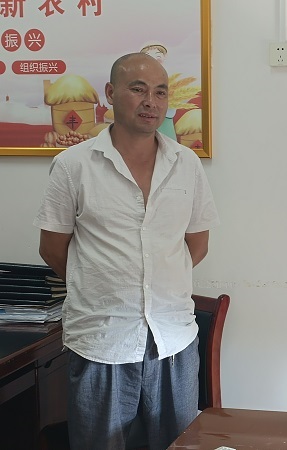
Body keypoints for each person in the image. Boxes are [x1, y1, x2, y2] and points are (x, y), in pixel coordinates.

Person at [33, 53, 219, 450]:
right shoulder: (73, 165)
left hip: (173, 340)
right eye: (138, 89)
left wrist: (156, 280)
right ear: (110, 93)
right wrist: (102, 282)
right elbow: (52, 248)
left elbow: (197, 244)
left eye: (160, 92)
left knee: (178, 444)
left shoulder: (186, 164)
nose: (151, 101)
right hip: (102, 340)